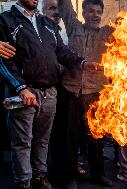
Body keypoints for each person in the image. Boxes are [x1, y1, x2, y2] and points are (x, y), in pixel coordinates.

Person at [0, 0, 97, 188]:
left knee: (42, 141)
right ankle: (24, 182)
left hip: (50, 93)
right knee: (23, 142)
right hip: (25, 92)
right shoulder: (6, 20)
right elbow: (3, 62)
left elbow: (63, 52)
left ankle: (40, 176)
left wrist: (83, 63)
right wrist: (21, 88)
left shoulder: (47, 23)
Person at [49, 0, 127, 187]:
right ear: (84, 13)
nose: (95, 15)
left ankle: (98, 174)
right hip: (70, 90)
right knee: (71, 138)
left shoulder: (108, 32)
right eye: (91, 11)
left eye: (98, 12)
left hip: (95, 93)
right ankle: (70, 177)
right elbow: (65, 5)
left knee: (96, 137)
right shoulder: (73, 25)